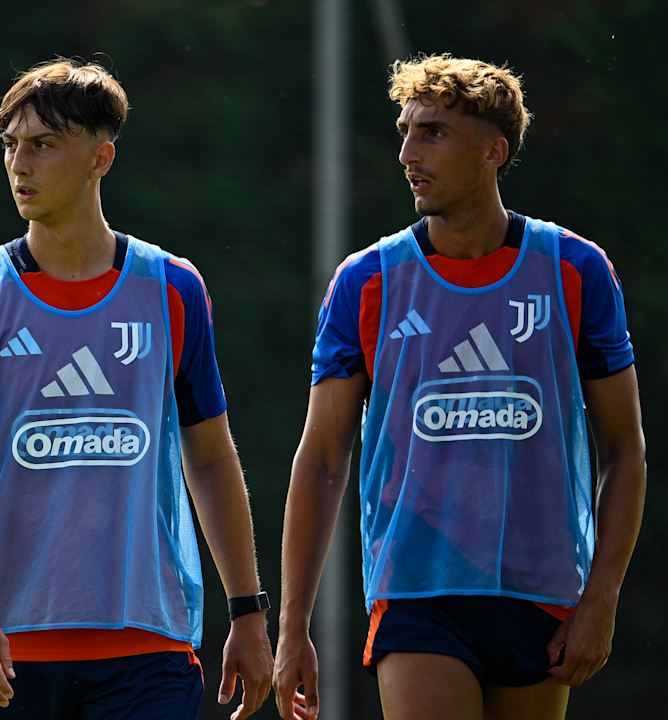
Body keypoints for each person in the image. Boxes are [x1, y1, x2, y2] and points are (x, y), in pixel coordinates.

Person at [273, 54, 646, 720]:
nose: (408, 153)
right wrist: (292, 625)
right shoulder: (368, 281)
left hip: (542, 595)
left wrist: (602, 599)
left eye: (433, 133)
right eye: (405, 131)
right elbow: (323, 458)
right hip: (419, 597)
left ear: (493, 151)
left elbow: (626, 449)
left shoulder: (575, 270)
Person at [0, 58, 273, 719]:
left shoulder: (171, 289)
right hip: (6, 657)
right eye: (11, 145)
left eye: (44, 145)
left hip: (149, 650)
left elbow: (212, 457)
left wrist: (248, 613)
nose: (21, 164)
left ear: (101, 157)